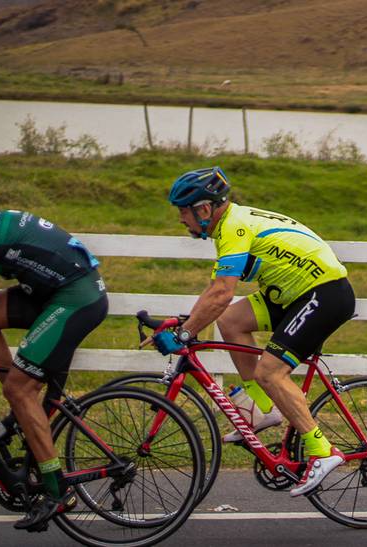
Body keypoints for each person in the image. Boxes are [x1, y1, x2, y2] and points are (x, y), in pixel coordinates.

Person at [146, 167, 355, 497]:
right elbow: (217, 292)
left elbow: (222, 293)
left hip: (323, 293)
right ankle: (259, 409)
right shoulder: (228, 226)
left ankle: (322, 451)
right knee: (230, 321)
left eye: (183, 211)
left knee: (270, 372)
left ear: (203, 209)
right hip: (291, 292)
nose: (180, 218)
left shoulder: (234, 228)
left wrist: (185, 333)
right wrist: (184, 322)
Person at [0, 183, 108, 530]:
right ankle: (24, 407)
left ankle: (57, 492)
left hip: (75, 298)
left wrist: (19, 383)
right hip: (51, 292)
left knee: (19, 389)